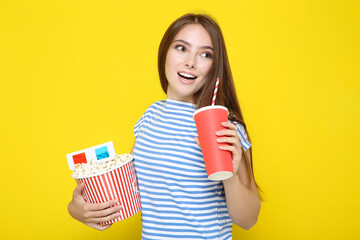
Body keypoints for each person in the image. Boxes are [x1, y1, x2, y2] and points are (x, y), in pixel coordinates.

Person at [68, 13, 262, 239]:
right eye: (181, 48)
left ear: (214, 67)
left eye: (205, 54)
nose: (190, 62)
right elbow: (127, 193)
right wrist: (78, 209)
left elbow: (248, 220)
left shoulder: (225, 126)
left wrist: (230, 177)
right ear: (165, 53)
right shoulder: (149, 117)